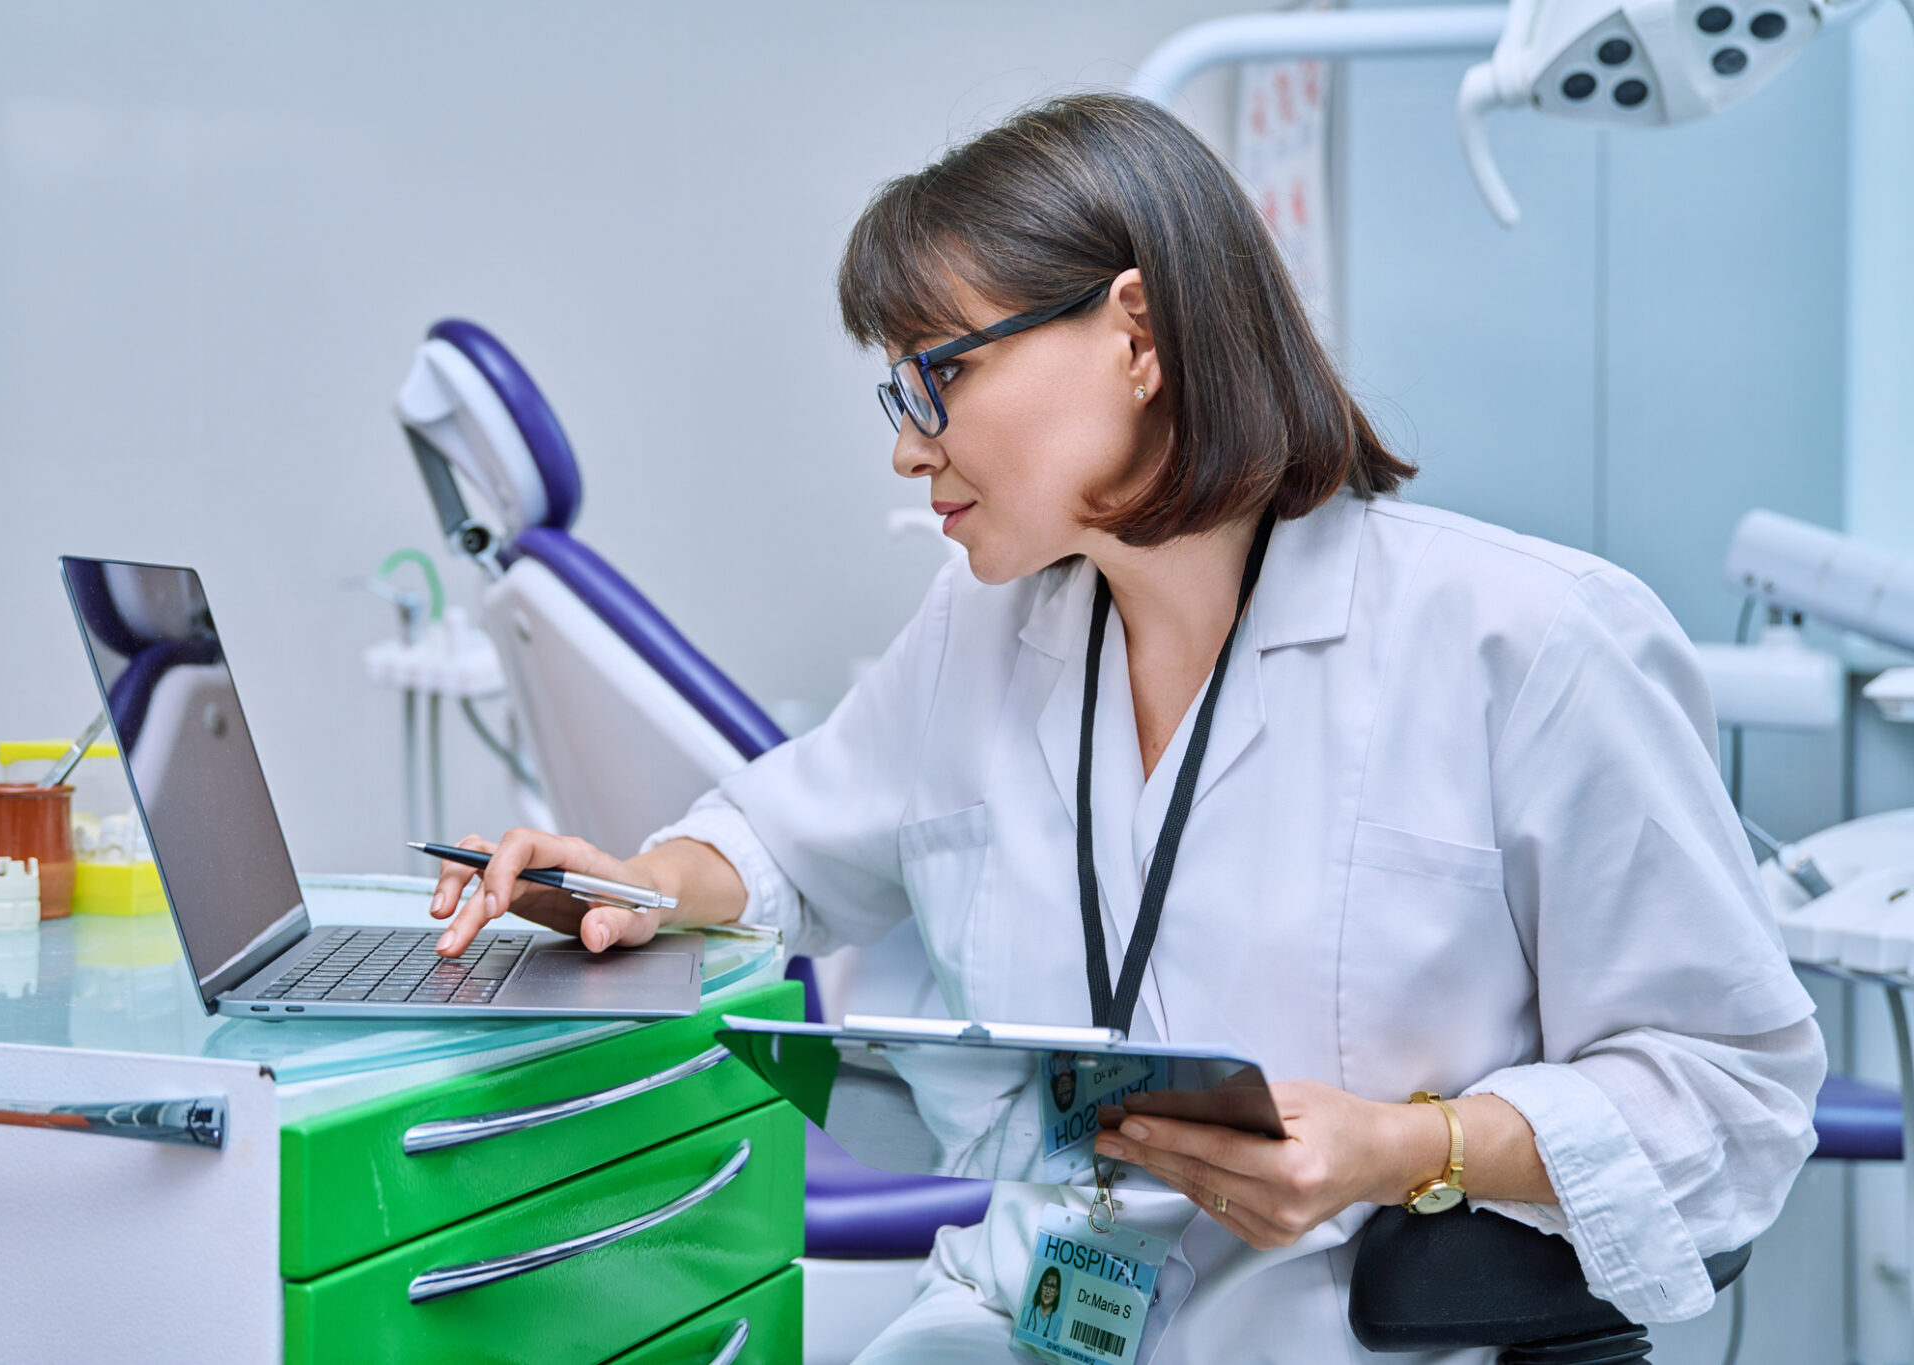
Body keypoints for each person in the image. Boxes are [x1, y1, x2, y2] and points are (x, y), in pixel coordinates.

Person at [426, 92, 1824, 1362]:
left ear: (1137, 335)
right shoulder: (986, 630)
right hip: (1034, 1316)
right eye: (895, 390)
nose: (908, 447)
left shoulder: (1530, 645)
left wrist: (1410, 1147)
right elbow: (784, 838)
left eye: (940, 376)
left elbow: (1735, 1096)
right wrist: (631, 886)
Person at [1023, 1266, 1064, 1339]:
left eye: (1052, 1287)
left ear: (1057, 1292)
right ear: (1040, 1286)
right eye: (1046, 1285)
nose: (1048, 1291)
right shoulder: (1026, 1311)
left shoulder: (1058, 1322)